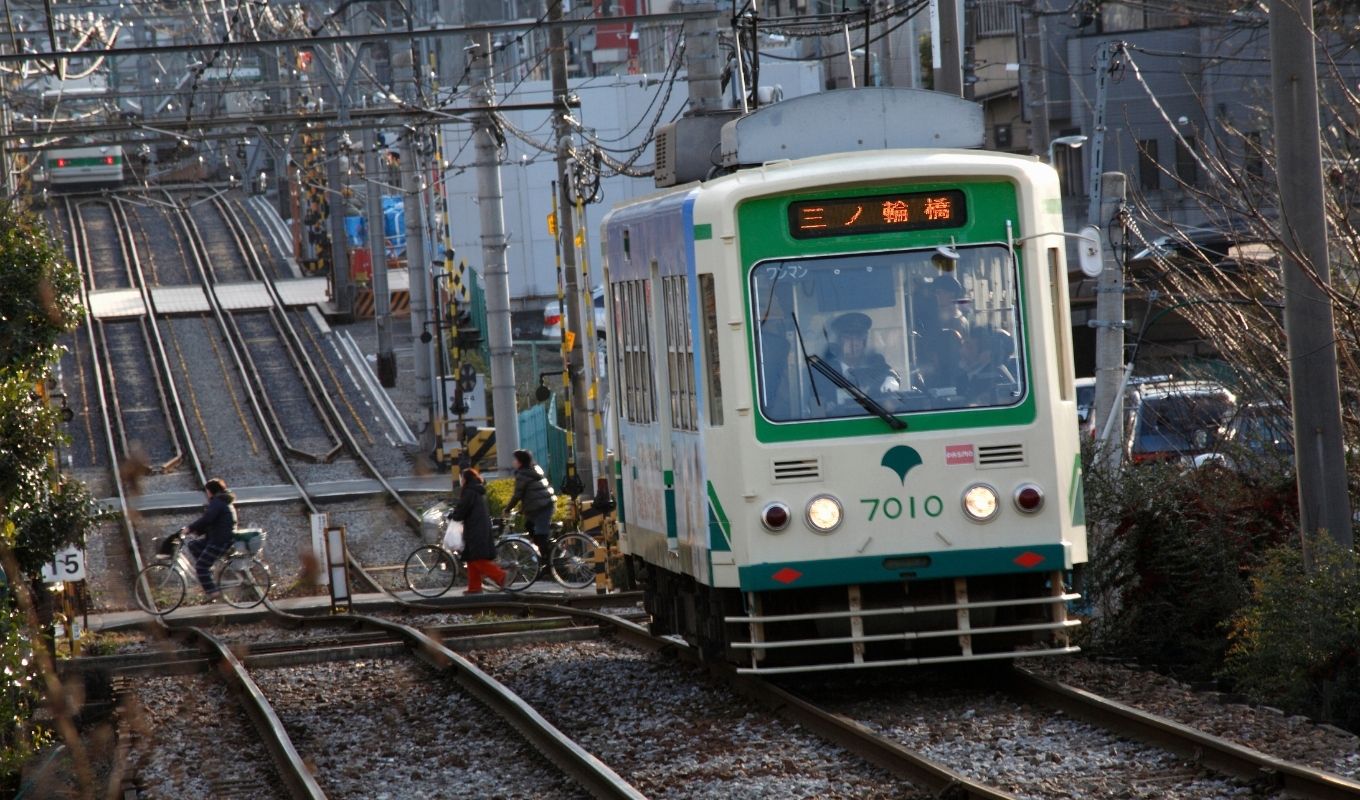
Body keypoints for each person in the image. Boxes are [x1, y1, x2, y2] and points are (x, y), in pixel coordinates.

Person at [816, 312, 901, 408]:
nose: (854, 344)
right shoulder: (824, 370)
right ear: (838, 341)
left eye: (858, 338)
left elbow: (892, 373)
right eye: (848, 338)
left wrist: (891, 380)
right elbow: (818, 407)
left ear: (864, 341)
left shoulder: (875, 362)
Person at [178, 478, 236, 602]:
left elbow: (207, 519)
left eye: (207, 491)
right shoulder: (222, 501)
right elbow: (212, 522)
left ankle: (213, 592)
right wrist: (197, 531)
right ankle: (209, 573)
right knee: (193, 545)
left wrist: (190, 528)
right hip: (218, 537)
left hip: (220, 540)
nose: (206, 493)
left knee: (200, 566)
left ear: (211, 491)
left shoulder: (217, 502)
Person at [449, 468, 507, 594]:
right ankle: (474, 587)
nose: (461, 480)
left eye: (462, 478)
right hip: (479, 526)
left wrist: (453, 515)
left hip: (475, 528)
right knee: (470, 557)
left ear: (466, 479)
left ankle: (500, 575)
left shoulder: (469, 491)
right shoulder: (477, 490)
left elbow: (463, 508)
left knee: (476, 558)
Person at [504, 449, 557, 564]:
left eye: (515, 460)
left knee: (540, 533)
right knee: (529, 525)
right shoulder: (533, 469)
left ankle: (547, 562)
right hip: (544, 504)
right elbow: (531, 493)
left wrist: (507, 509)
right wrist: (522, 509)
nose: (513, 462)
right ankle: (542, 553)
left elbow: (518, 494)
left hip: (542, 507)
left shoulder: (522, 474)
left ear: (520, 461)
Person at [959, 327, 1017, 404]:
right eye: (963, 345)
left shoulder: (994, 377)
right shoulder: (969, 374)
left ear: (986, 353)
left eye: (969, 347)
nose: (962, 351)